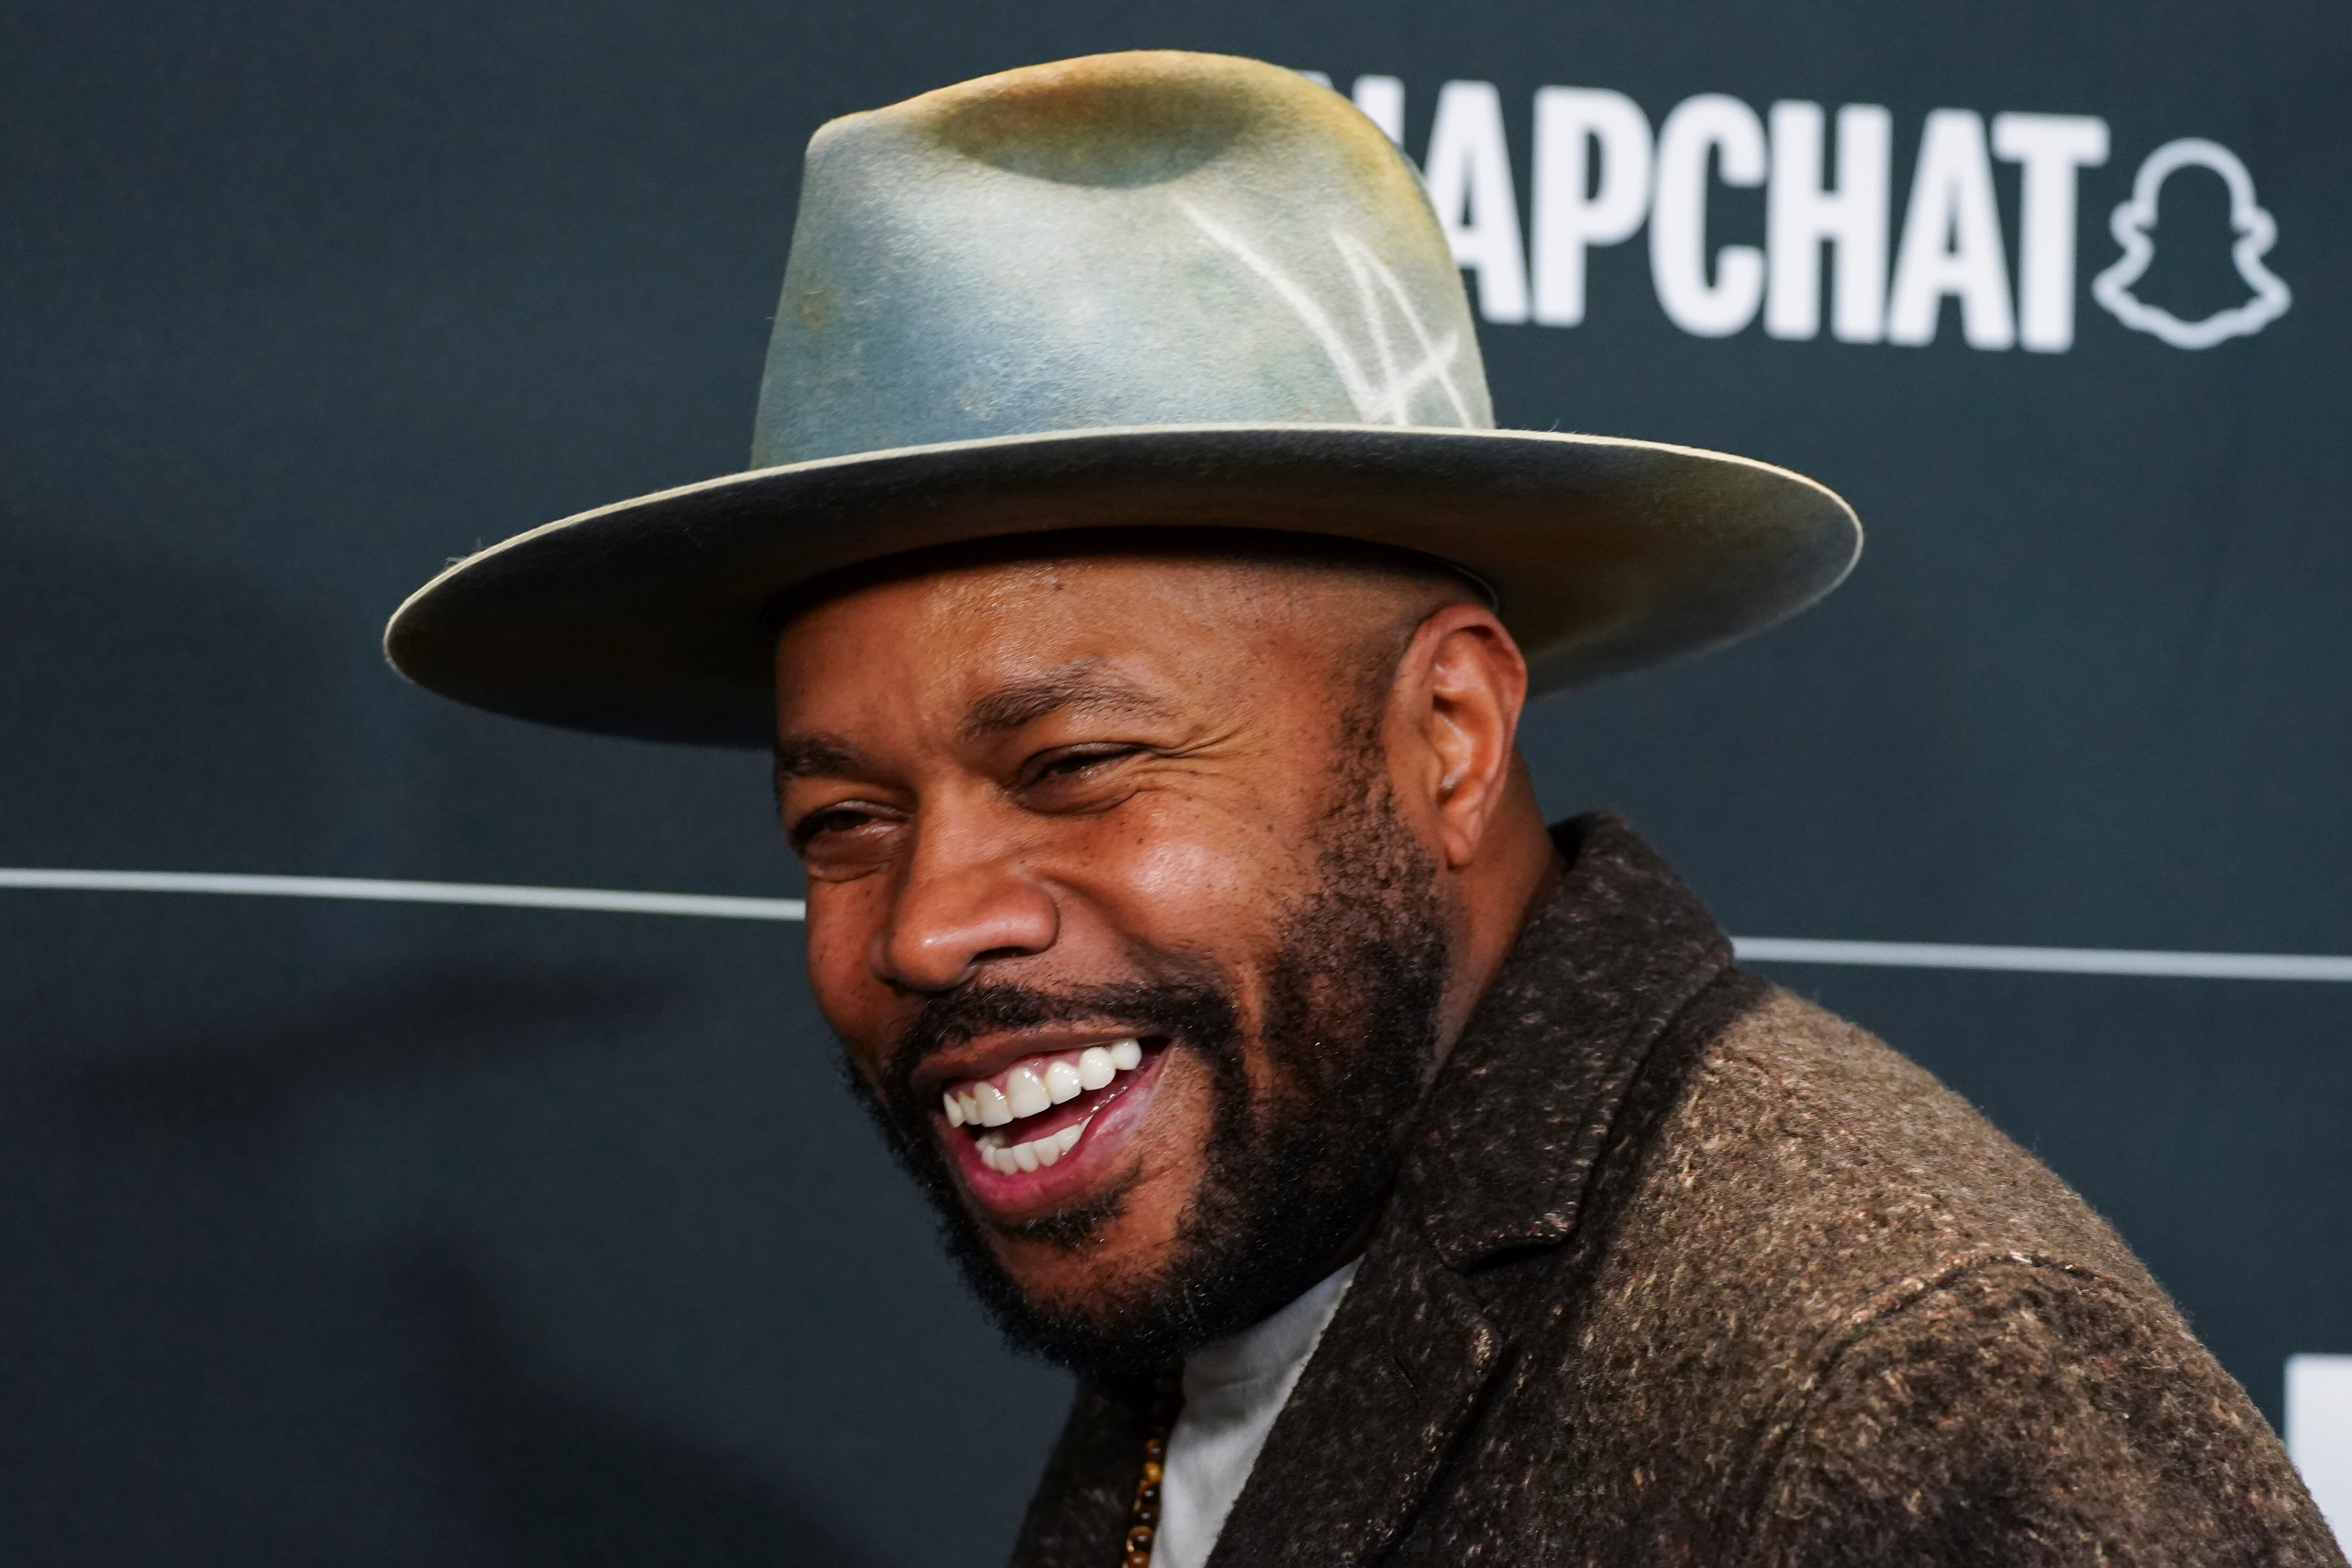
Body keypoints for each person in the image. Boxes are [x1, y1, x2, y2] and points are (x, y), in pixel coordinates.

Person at [386, 49, 2341, 1568]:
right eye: (842, 824)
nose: (921, 927)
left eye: (1068, 767)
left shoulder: (1901, 1399)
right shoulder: (1260, 1239)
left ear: (1446, 736)